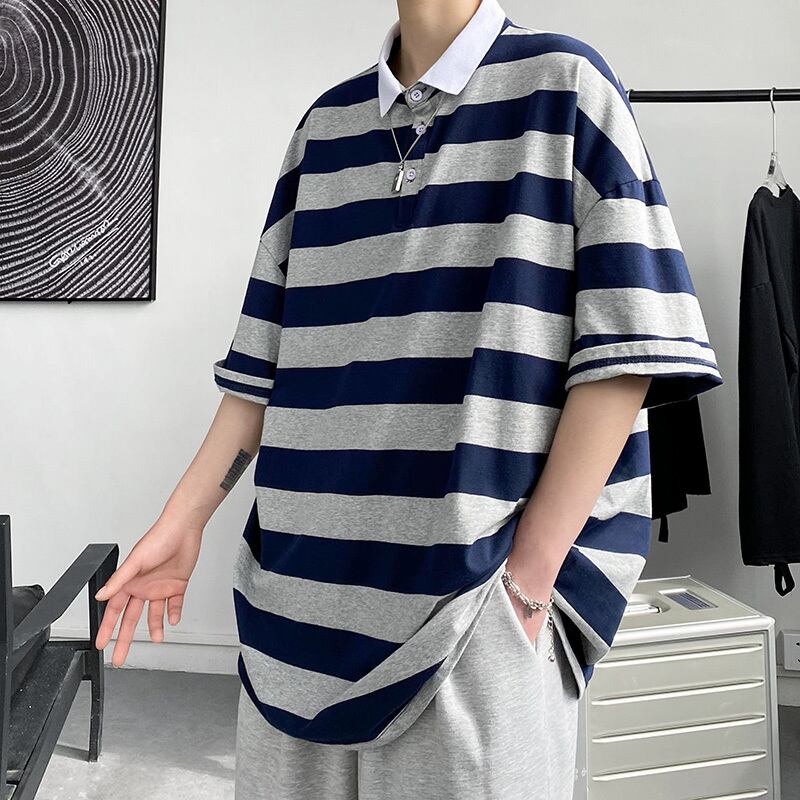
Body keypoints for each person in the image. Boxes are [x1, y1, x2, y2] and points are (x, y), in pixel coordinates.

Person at [94, 1, 723, 797]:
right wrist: (183, 519)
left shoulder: (565, 85)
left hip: (476, 609)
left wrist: (526, 582)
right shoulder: (323, 129)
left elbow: (628, 348)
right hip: (294, 608)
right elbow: (262, 363)